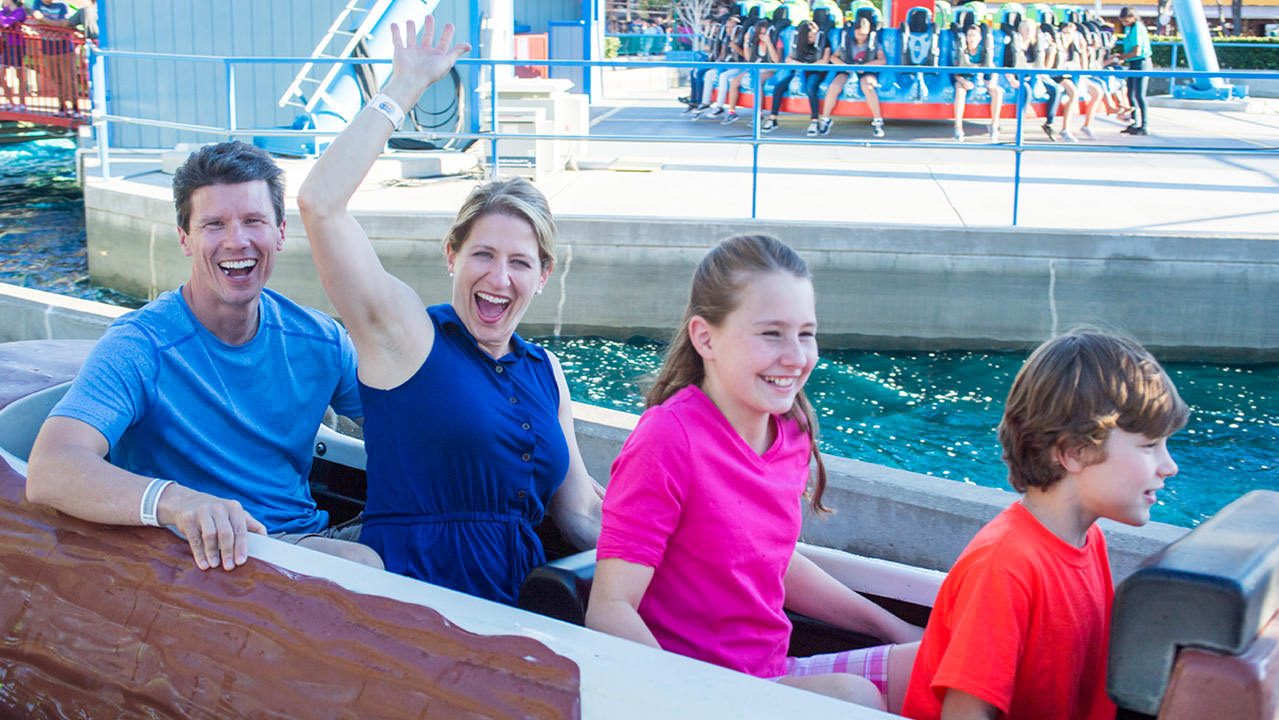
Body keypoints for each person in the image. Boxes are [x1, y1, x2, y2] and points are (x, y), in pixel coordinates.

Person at [297, 16, 603, 606]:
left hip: (525, 605)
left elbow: (583, 514)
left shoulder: (546, 372)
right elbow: (320, 204)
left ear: (543, 276)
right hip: (421, 602)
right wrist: (402, 88)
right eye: (482, 255)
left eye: (519, 262)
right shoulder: (409, 337)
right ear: (451, 257)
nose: (498, 277)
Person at [585, 235, 923, 712]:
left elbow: (770, 559)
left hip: (771, 673)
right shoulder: (668, 439)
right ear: (706, 338)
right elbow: (610, 608)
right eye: (771, 334)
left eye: (805, 333)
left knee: (944, 663)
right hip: (697, 692)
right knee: (853, 700)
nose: (795, 356)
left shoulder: (791, 430)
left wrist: (894, 627)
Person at [26, 141, 382, 572]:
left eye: (253, 221)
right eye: (214, 225)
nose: (237, 241)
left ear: (280, 232)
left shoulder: (321, 338)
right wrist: (174, 500)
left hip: (304, 538)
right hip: (206, 561)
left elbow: (406, 426)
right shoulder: (140, 347)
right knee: (361, 561)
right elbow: (51, 467)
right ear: (185, 240)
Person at [902, 328, 1188, 720]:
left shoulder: (1090, 541)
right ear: (1074, 452)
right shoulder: (1004, 567)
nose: (1170, 466)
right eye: (1150, 445)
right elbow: (965, 713)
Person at [813, 16, 886, 138]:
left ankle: (878, 122)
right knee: (834, 86)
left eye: (863, 34)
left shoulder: (874, 43)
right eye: (858, 34)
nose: (860, 37)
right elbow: (833, 57)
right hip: (848, 70)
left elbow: (882, 60)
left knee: (868, 86)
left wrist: (866, 66)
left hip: (866, 71)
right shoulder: (847, 42)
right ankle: (825, 120)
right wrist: (844, 65)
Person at [763, 20, 833, 138]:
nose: (813, 37)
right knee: (779, 87)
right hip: (800, 71)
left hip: (816, 71)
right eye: (810, 36)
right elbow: (788, 58)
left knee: (811, 87)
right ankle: (773, 118)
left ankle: (814, 121)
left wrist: (808, 66)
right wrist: (796, 63)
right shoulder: (799, 43)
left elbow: (824, 61)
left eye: (815, 34)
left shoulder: (824, 41)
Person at [949, 24, 1003, 143]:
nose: (971, 38)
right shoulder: (962, 50)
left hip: (982, 80)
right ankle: (958, 127)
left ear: (979, 38)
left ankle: (994, 125)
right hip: (967, 80)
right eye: (969, 35)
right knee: (959, 90)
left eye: (974, 36)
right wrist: (963, 80)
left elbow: (993, 70)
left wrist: (992, 82)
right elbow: (956, 73)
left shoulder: (984, 52)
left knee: (997, 91)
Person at [1115, 7, 1152, 135]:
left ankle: (1144, 125)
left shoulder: (1137, 28)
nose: (1124, 23)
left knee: (1139, 95)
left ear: (1133, 17)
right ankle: (1134, 122)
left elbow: (1137, 51)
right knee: (1130, 93)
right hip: (1133, 63)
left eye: (1126, 20)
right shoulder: (1130, 29)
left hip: (1141, 63)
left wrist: (1122, 57)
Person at [0, 0, 27, 109]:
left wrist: (3, 18)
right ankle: (9, 101)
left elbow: (6, 23)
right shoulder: (4, 12)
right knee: (1, 75)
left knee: (19, 75)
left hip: (17, 45)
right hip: (4, 45)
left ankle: (22, 103)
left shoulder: (20, 11)